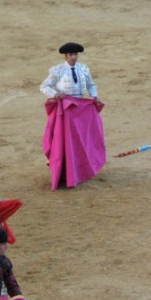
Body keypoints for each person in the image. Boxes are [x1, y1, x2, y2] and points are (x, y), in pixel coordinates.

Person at [39, 42, 107, 190]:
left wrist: (95, 96)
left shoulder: (83, 69)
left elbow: (91, 85)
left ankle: (78, 171)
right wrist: (55, 94)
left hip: (81, 108)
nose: (74, 57)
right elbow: (44, 86)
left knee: (81, 141)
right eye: (71, 55)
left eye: (75, 54)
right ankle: (65, 171)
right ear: (66, 55)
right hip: (66, 109)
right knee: (65, 141)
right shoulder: (58, 70)